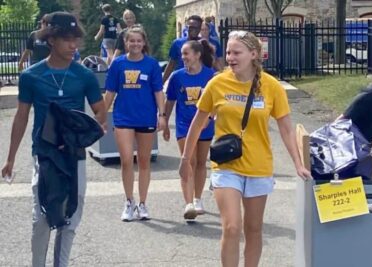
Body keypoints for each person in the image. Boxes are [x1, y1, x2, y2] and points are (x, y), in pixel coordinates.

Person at [178, 30, 311, 266]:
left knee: (253, 229)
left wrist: (298, 163)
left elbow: (287, 129)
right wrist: (185, 159)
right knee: (231, 227)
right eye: (228, 52)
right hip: (226, 166)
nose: (230, 57)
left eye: (236, 52)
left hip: (259, 167)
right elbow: (198, 123)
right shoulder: (217, 83)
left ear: (253, 54)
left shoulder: (271, 87)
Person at [1, 11, 107, 266]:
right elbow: (22, 118)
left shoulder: (84, 76)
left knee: (71, 217)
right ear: (51, 40)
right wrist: (10, 159)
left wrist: (85, 133)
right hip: (45, 155)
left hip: (74, 155)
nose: (74, 45)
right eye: (67, 40)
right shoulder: (31, 76)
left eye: (76, 40)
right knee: (42, 219)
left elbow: (100, 112)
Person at [104, 25, 166, 222]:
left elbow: (158, 91)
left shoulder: (152, 64)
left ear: (144, 43)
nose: (136, 44)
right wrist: (101, 116)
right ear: (126, 42)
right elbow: (110, 92)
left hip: (146, 117)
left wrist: (162, 115)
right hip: (123, 117)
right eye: (132, 41)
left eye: (139, 41)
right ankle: (129, 201)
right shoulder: (118, 64)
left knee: (145, 161)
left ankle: (143, 203)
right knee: (126, 160)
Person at [163, 40, 215, 220]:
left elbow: (217, 101)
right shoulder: (177, 77)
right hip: (184, 125)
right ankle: (188, 203)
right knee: (189, 160)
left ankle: (198, 198)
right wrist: (164, 120)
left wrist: (210, 116)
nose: (183, 58)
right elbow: (170, 100)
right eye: (182, 54)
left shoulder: (211, 75)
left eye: (186, 54)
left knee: (201, 162)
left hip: (205, 125)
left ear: (197, 55)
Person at [163, 15, 223, 83]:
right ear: (187, 27)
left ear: (200, 28)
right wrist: (162, 83)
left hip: (201, 81)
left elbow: (215, 64)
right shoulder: (177, 43)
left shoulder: (204, 44)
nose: (193, 30)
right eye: (191, 27)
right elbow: (171, 64)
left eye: (196, 28)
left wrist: (221, 77)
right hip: (182, 80)